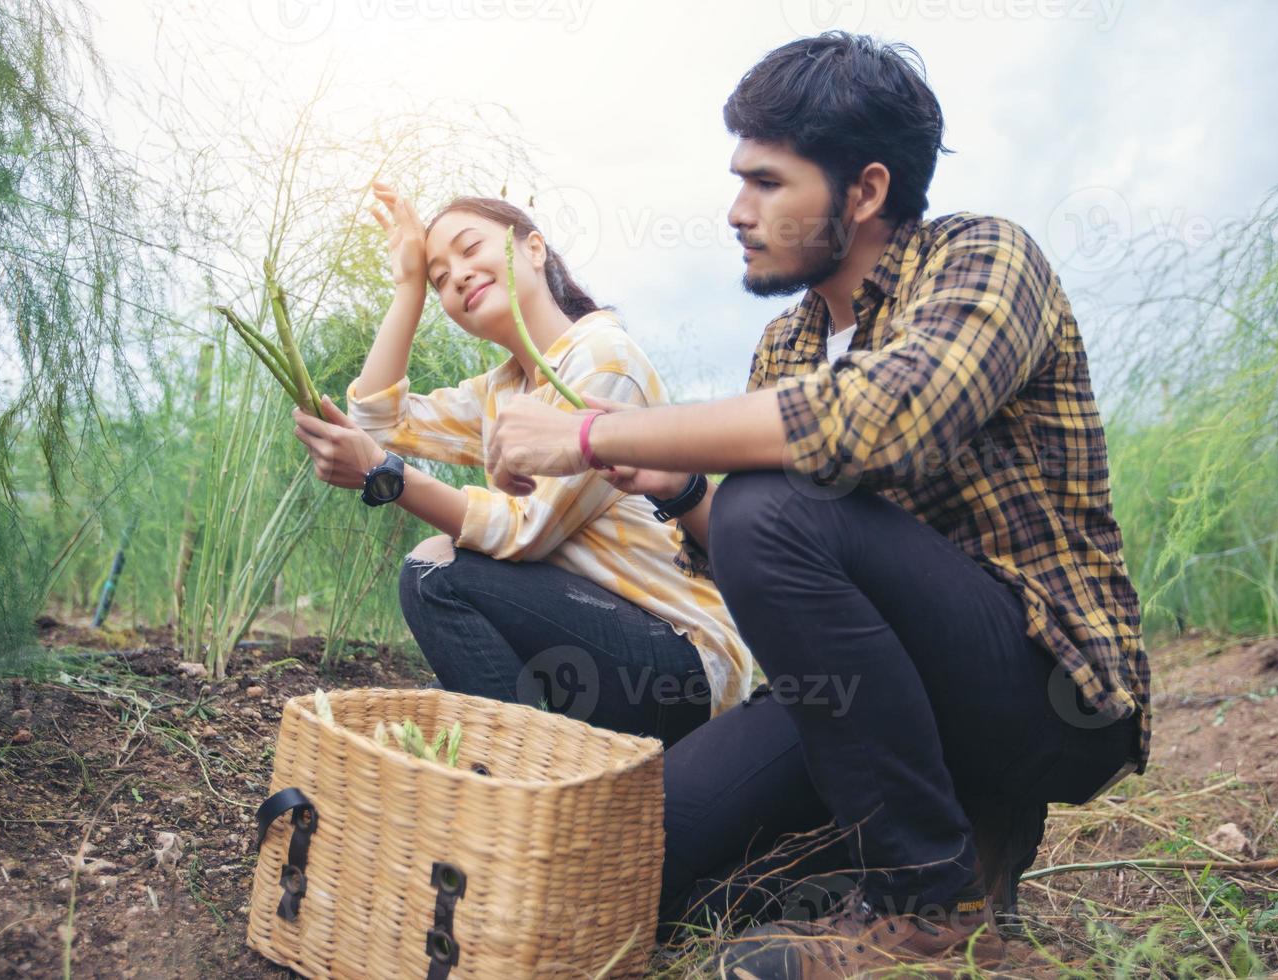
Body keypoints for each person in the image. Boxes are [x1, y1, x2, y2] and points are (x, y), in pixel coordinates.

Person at [485, 32, 1150, 976]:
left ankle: (930, 900)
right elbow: (762, 554)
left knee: (769, 501)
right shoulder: (787, 342)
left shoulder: (986, 260)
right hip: (866, 698)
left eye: (766, 183)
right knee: (647, 860)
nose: (736, 211)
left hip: (1044, 690)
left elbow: (881, 420)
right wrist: (680, 488)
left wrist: (596, 436)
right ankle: (936, 851)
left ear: (865, 191)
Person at [290, 187, 753, 747]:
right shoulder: (505, 389)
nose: (457, 276)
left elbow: (527, 531)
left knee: (437, 574)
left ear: (533, 249)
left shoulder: (604, 359)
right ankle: (532, 774)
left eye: (469, 249)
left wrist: (386, 477)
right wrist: (408, 287)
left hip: (680, 661)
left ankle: (515, 781)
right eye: (440, 278)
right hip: (604, 638)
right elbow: (378, 419)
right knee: (438, 569)